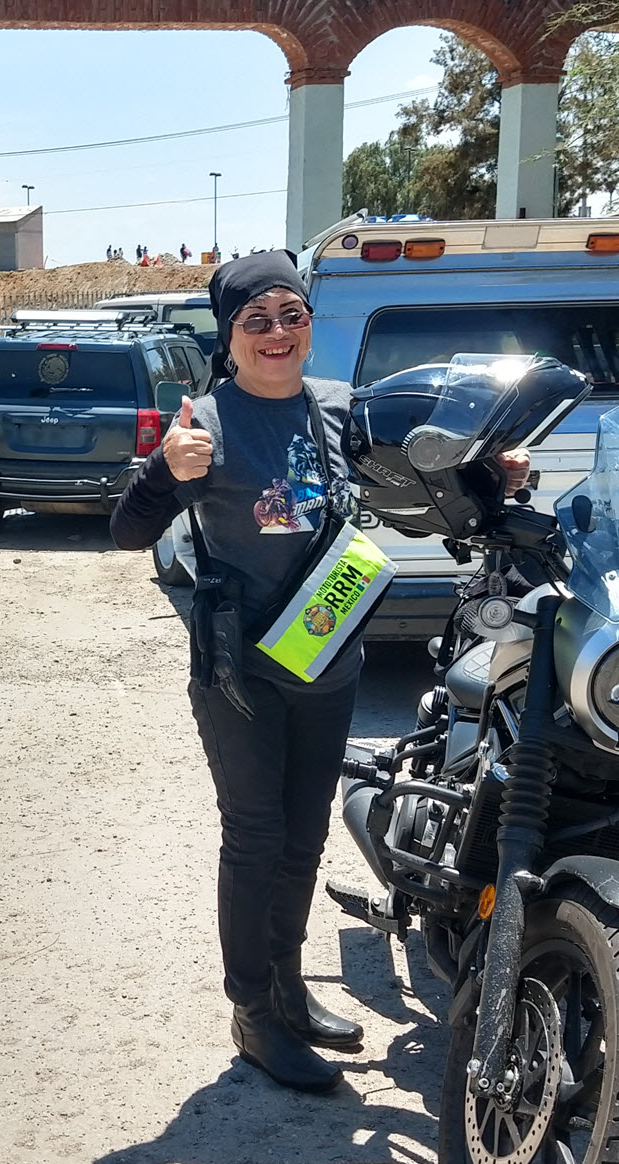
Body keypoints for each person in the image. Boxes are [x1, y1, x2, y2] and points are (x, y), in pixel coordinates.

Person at [111, 251, 529, 1093]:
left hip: (328, 659)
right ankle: (253, 1013)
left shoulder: (341, 408)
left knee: (302, 839)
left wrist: (495, 479)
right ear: (229, 336)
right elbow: (127, 530)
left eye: (290, 316)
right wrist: (166, 472)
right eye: (256, 321)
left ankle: (289, 992)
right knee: (256, 837)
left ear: (309, 325)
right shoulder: (205, 421)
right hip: (242, 673)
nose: (277, 333)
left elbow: (423, 485)